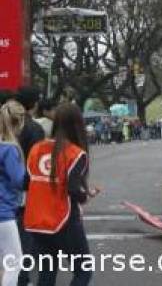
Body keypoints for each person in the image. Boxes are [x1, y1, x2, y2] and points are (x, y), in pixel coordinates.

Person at [24, 103, 100, 286]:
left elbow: (26, 183)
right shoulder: (76, 154)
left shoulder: (36, 149)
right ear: (78, 125)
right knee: (83, 271)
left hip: (37, 222)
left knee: (46, 274)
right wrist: (85, 196)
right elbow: (73, 190)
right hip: (63, 220)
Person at [15, 86, 45, 286]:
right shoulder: (34, 128)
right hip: (28, 187)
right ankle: (21, 278)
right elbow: (40, 161)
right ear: (34, 104)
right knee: (25, 234)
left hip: (8, 186)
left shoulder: (8, 123)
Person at [0, 100, 26, 286]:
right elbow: (19, 181)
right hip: (4, 212)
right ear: (19, 122)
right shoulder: (9, 149)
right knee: (13, 263)